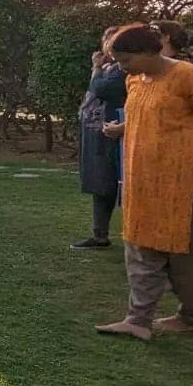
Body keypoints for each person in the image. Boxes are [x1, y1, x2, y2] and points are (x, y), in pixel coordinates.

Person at [95, 24, 193, 341]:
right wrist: (122, 129)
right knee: (140, 246)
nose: (121, 67)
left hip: (185, 183)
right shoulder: (135, 80)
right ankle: (138, 320)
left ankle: (191, 317)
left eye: (126, 59)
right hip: (143, 179)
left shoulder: (189, 77)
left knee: (187, 251)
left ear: (148, 51)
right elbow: (145, 115)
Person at [72, 27, 127, 250]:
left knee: (117, 183)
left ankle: (138, 237)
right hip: (98, 131)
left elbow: (100, 88)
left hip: (117, 132)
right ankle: (99, 235)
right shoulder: (109, 68)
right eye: (105, 40)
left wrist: (95, 68)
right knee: (99, 183)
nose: (107, 45)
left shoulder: (124, 69)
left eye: (112, 40)